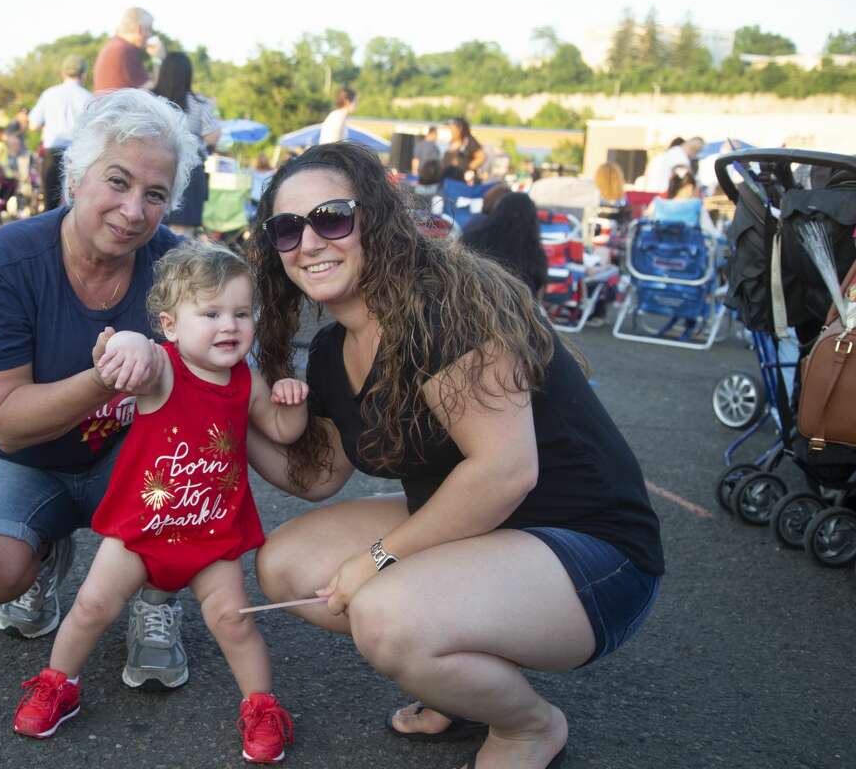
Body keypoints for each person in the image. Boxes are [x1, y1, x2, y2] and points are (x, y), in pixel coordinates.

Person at [246, 142, 664, 769]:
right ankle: (461, 684)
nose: (309, 242)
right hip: (487, 535)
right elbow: (319, 475)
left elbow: (505, 472)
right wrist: (223, 412)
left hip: (590, 549)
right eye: (287, 228)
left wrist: (378, 560)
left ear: (376, 219)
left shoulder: (449, 307)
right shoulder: (333, 350)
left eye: (332, 217)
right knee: (287, 568)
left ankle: (528, 726)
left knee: (385, 613)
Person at [0, 89, 206, 699]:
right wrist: (106, 378)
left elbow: (223, 387)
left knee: (200, 459)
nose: (133, 209)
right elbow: (7, 423)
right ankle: (41, 555)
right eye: (118, 182)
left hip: (130, 467)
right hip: (17, 460)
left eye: (155, 195)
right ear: (76, 177)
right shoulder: (4, 264)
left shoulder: (179, 271)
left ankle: (156, 600)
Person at [12, 241, 305, 764]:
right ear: (171, 326)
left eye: (241, 313)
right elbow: (136, 353)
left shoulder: (246, 381)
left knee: (234, 620)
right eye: (210, 313)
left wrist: (291, 397)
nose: (229, 326)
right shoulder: (163, 369)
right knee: (91, 607)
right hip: (139, 532)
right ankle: (59, 683)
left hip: (211, 538)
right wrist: (126, 342)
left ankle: (262, 706)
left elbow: (282, 430)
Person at [151, 51, 220, 235]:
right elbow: (214, 135)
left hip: (154, 169)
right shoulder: (198, 104)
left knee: (149, 229)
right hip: (190, 171)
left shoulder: (150, 101)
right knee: (181, 238)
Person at [30, 54, 92, 211]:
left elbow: (33, 124)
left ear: (62, 73)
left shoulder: (49, 94)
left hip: (53, 153)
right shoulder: (88, 97)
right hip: (79, 156)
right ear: (84, 74)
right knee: (77, 205)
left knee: (49, 206)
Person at [460, 192, 548, 298]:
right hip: (516, 310)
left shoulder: (472, 237)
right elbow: (537, 295)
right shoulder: (535, 254)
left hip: (473, 303)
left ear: (498, 210)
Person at [93, 7, 162, 93]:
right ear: (139, 29)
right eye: (149, 30)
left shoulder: (112, 46)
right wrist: (158, 59)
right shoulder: (126, 51)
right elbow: (152, 89)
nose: (150, 35)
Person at [441, 117, 485, 183]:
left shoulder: (469, 141)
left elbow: (481, 157)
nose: (449, 130)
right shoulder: (450, 142)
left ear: (460, 129)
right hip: (448, 179)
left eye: (451, 128)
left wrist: (467, 168)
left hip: (463, 181)